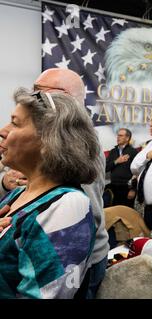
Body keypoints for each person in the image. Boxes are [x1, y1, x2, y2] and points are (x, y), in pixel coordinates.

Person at [0, 68, 109, 299]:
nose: (3, 132)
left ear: (50, 136)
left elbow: (82, 216)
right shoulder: (18, 194)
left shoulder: (67, 206)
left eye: (16, 124)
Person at [105, 128, 138, 208]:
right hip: (113, 188)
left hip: (126, 189)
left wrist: (133, 189)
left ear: (127, 138)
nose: (118, 137)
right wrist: (116, 161)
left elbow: (138, 172)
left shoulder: (133, 152)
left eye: (120, 135)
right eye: (118, 135)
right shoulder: (113, 151)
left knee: (125, 215)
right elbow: (105, 168)